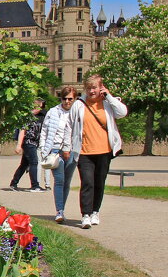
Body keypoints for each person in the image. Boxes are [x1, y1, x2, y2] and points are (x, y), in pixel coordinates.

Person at [67, 75, 128, 229]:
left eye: (94, 88)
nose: (91, 91)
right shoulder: (79, 104)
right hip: (84, 151)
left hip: (104, 150)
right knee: (87, 182)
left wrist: (109, 96)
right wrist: (67, 147)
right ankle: (85, 215)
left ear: (101, 87)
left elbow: (122, 113)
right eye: (88, 88)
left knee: (99, 182)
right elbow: (70, 125)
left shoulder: (108, 103)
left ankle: (95, 211)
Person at [38, 86, 78, 222]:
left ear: (75, 98)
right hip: (55, 150)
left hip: (72, 150)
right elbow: (44, 130)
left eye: (70, 99)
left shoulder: (77, 112)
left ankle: (62, 208)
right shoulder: (53, 112)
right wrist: (43, 148)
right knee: (59, 180)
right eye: (64, 98)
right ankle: (59, 211)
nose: (67, 101)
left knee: (67, 181)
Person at [8, 99, 46, 192]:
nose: (39, 109)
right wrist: (19, 145)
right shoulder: (27, 117)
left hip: (35, 143)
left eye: (40, 107)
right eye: (37, 106)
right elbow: (22, 131)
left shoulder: (42, 116)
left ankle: (13, 183)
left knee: (24, 164)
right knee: (34, 162)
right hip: (28, 142)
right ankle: (35, 185)